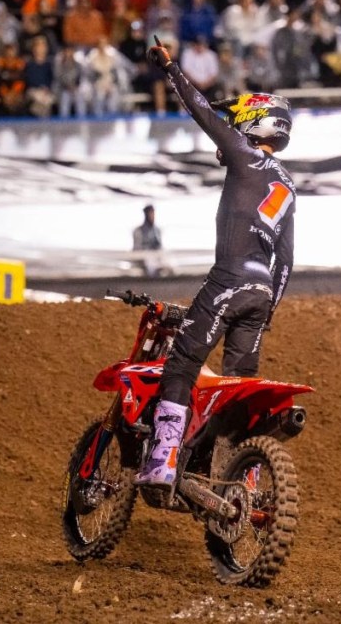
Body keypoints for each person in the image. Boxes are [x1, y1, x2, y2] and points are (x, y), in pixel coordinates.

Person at [134, 38, 296, 489]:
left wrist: (171, 69)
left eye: (238, 125)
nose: (230, 133)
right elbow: (285, 262)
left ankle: (163, 460)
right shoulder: (287, 185)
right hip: (261, 294)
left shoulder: (245, 157)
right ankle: (245, 482)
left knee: (182, 363)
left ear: (254, 128)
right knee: (238, 388)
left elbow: (201, 112)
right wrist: (266, 312)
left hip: (229, 279)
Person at [132, 203, 163, 276]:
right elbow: (137, 248)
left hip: (156, 255)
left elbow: (160, 246)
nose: (152, 216)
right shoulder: (139, 231)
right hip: (144, 256)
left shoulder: (157, 230)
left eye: (153, 213)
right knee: (151, 264)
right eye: (150, 213)